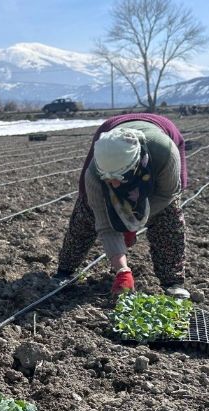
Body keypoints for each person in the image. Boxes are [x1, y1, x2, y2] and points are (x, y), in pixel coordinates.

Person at [55, 112, 190, 299]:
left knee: (168, 216)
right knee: (86, 212)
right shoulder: (93, 174)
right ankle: (65, 270)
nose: (113, 184)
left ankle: (172, 281)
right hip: (111, 129)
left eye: (119, 177)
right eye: (107, 178)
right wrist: (122, 269)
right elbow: (104, 225)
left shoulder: (165, 152)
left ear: (135, 165)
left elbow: (166, 194)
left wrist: (134, 220)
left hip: (161, 134)